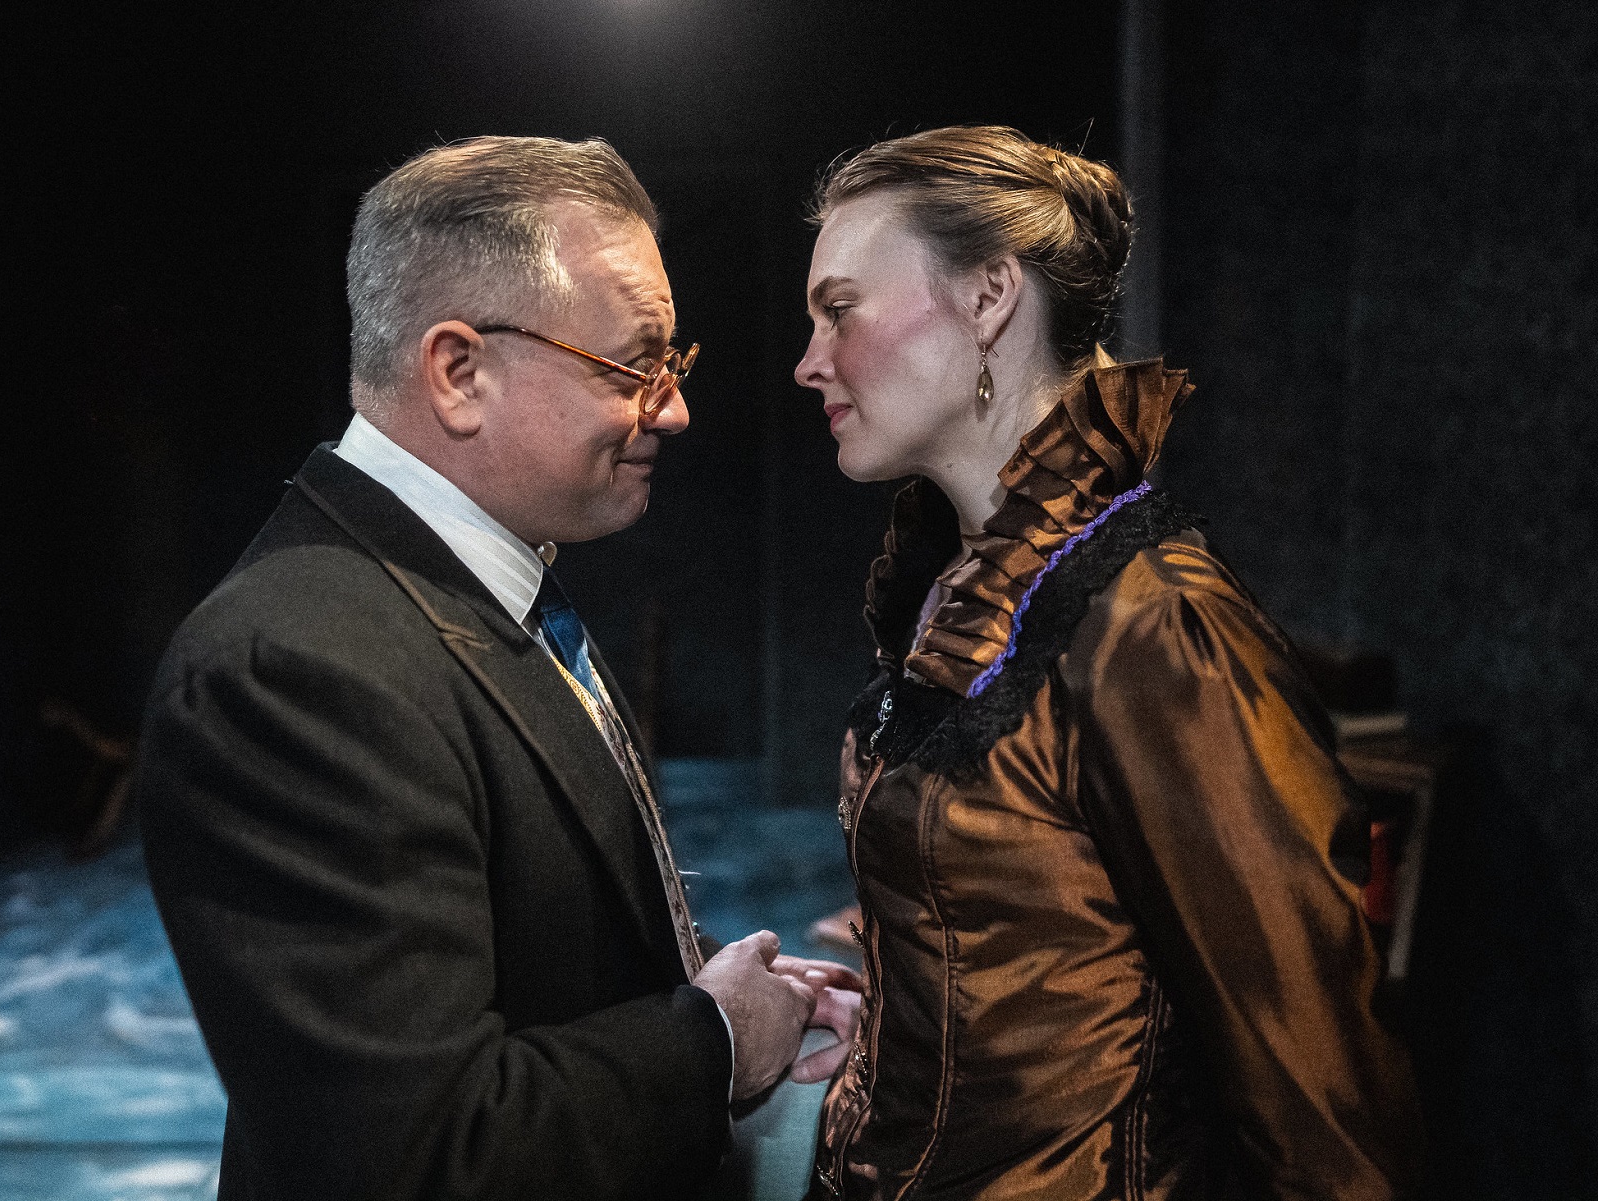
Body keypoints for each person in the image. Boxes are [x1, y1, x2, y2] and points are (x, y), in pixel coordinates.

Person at [135, 135, 855, 1201]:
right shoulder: (291, 666)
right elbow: (420, 1156)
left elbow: (543, 928)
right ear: (459, 372)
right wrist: (709, 1038)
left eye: (675, 364)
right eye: (635, 366)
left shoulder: (477, 584)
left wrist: (724, 982)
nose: (673, 408)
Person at [792, 126, 1422, 1199]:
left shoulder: (1152, 620)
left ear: (990, 295)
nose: (809, 360)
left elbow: (1315, 1091)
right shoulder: (955, 584)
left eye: (839, 309)